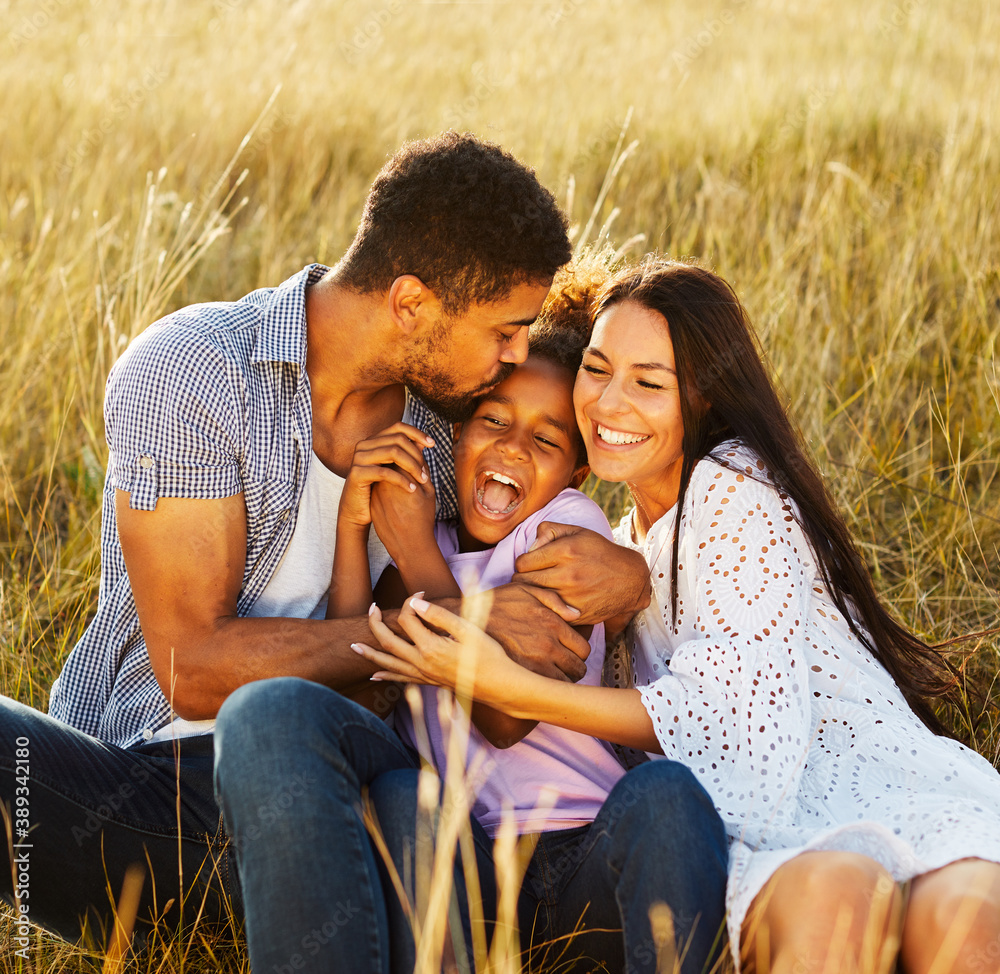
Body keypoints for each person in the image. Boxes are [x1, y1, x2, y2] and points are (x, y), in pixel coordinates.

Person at [0, 133, 654, 967]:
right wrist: (473, 623)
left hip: (355, 795)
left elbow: (525, 550)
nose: (516, 355)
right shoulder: (194, 372)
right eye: (504, 329)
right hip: (158, 800)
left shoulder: (444, 430)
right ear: (412, 303)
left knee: (335, 763)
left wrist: (636, 569)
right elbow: (190, 665)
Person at [356, 259, 1000, 974]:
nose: (609, 403)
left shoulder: (733, 486)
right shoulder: (620, 539)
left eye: (649, 383)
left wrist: (515, 689)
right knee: (836, 902)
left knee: (965, 930)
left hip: (860, 781)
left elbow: (728, 720)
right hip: (750, 831)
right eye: (596, 370)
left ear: (701, 397)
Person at [330, 268, 728, 974]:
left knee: (666, 796)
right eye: (493, 421)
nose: (513, 449)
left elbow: (504, 714)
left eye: (547, 442)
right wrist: (354, 523)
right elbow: (352, 685)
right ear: (455, 435)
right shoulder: (417, 551)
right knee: (396, 794)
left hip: (584, 853)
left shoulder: (561, 530)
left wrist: (415, 549)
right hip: (474, 871)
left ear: (576, 476)